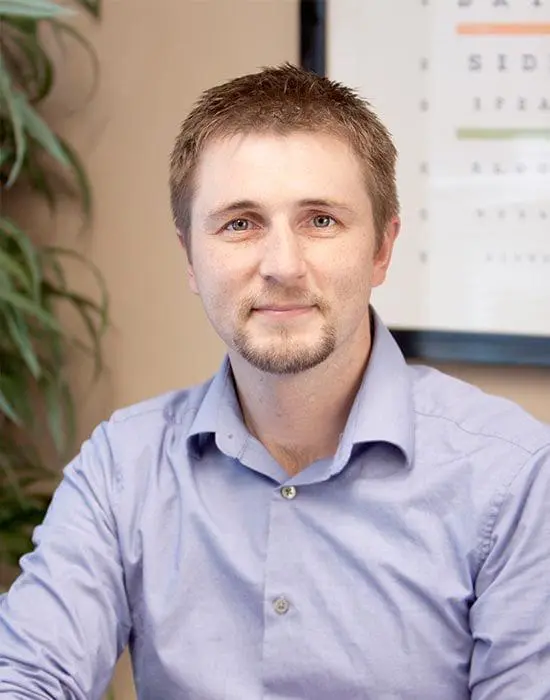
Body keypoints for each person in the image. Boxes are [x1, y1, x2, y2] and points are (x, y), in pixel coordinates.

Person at [0, 62, 549, 700]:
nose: (282, 266)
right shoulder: (123, 467)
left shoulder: (514, 476)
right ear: (190, 258)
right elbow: (26, 677)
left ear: (381, 250)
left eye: (321, 220)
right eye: (240, 222)